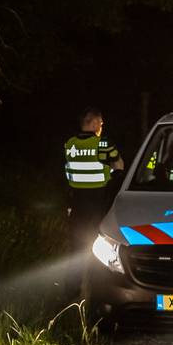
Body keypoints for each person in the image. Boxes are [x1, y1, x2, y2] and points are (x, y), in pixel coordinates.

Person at [64, 108, 125, 276]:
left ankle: (73, 288)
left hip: (77, 203)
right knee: (100, 245)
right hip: (99, 202)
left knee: (76, 247)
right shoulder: (103, 144)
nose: (102, 126)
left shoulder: (70, 144)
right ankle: (96, 285)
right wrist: (111, 173)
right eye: (101, 123)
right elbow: (119, 165)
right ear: (94, 123)